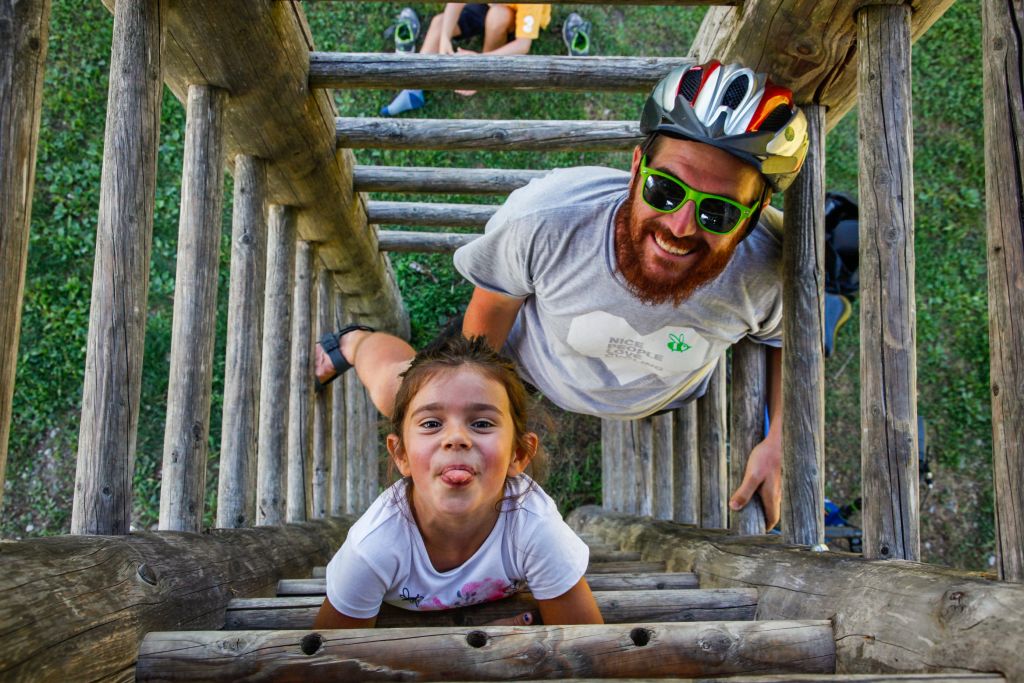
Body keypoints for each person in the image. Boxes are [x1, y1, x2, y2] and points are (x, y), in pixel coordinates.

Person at [319, 60, 809, 531]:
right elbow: (486, 326)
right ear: (637, 167)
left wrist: (781, 436)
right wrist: (478, 420)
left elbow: (789, 338)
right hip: (521, 362)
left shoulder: (770, 272)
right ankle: (359, 343)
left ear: (755, 211)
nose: (679, 227)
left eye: (718, 213)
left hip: (658, 394)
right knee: (395, 394)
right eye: (664, 190)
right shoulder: (544, 221)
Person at [313, 335, 604, 628]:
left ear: (518, 454)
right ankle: (356, 342)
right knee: (388, 381)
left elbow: (587, 647)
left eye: (481, 423)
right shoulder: (372, 548)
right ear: (401, 455)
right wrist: (471, 648)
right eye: (432, 424)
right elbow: (329, 661)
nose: (456, 438)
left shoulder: (535, 528)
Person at [381, 3, 553, 115]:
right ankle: (413, 87)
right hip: (489, 7)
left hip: (513, 20)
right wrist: (444, 39)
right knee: (440, 22)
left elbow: (523, 45)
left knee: (497, 16)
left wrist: (481, 59)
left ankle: (481, 74)